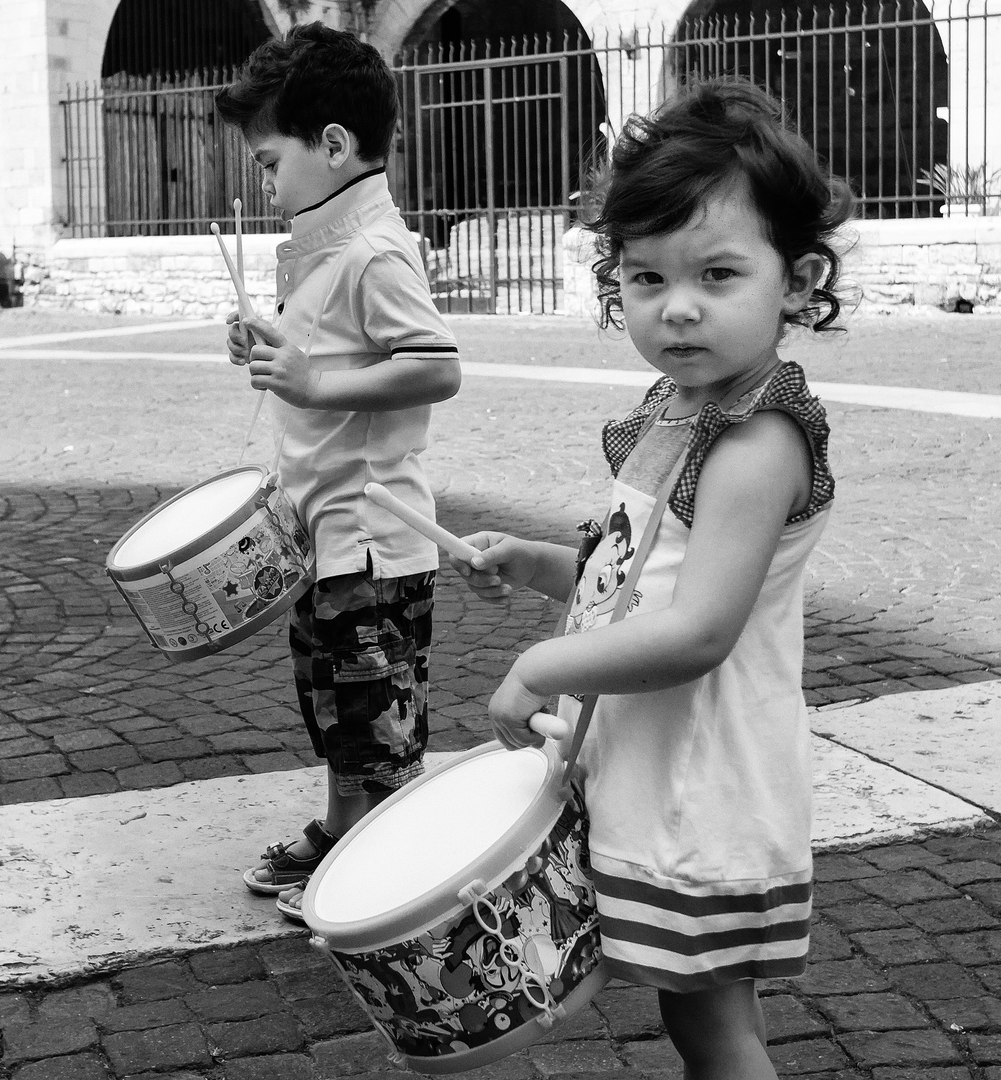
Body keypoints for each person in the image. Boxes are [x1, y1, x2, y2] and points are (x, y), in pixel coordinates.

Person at [450, 79, 853, 1079]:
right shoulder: (682, 405)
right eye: (643, 279)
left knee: (710, 1028)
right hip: (660, 756)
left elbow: (698, 629)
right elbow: (632, 581)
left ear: (796, 279)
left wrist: (543, 665)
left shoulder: (756, 436)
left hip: (703, 775)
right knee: (706, 1016)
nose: (675, 308)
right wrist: (541, 566)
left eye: (717, 274)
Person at [215, 23, 462, 922]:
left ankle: (389, 867)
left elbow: (437, 365)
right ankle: (341, 828)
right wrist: (277, 346)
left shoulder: (374, 251)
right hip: (325, 534)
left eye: (271, 161)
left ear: (334, 145)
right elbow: (330, 356)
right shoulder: (323, 248)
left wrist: (314, 381)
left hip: (375, 538)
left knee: (379, 716)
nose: (265, 180)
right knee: (335, 704)